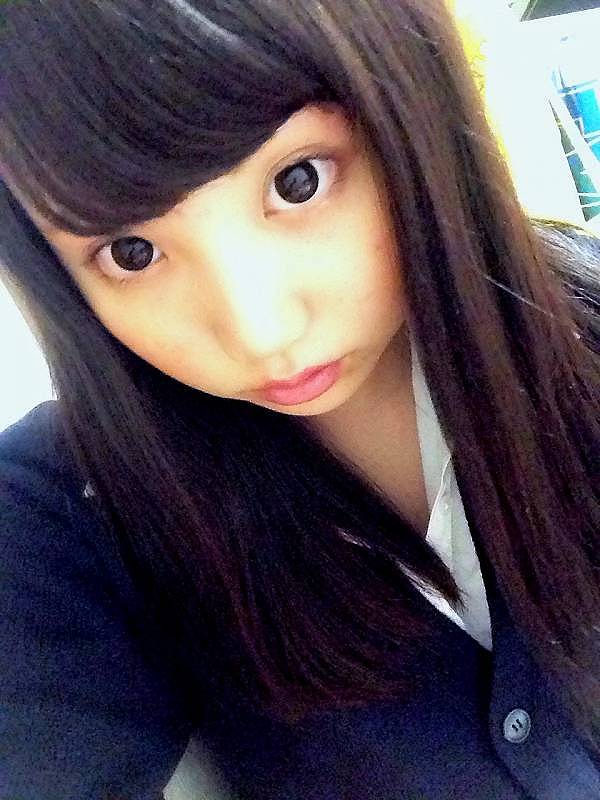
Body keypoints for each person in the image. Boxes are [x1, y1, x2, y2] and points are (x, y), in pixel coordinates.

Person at [0, 2, 598, 799]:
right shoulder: (57, 518)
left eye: (298, 181)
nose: (261, 332)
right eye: (131, 252)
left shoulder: (581, 331)